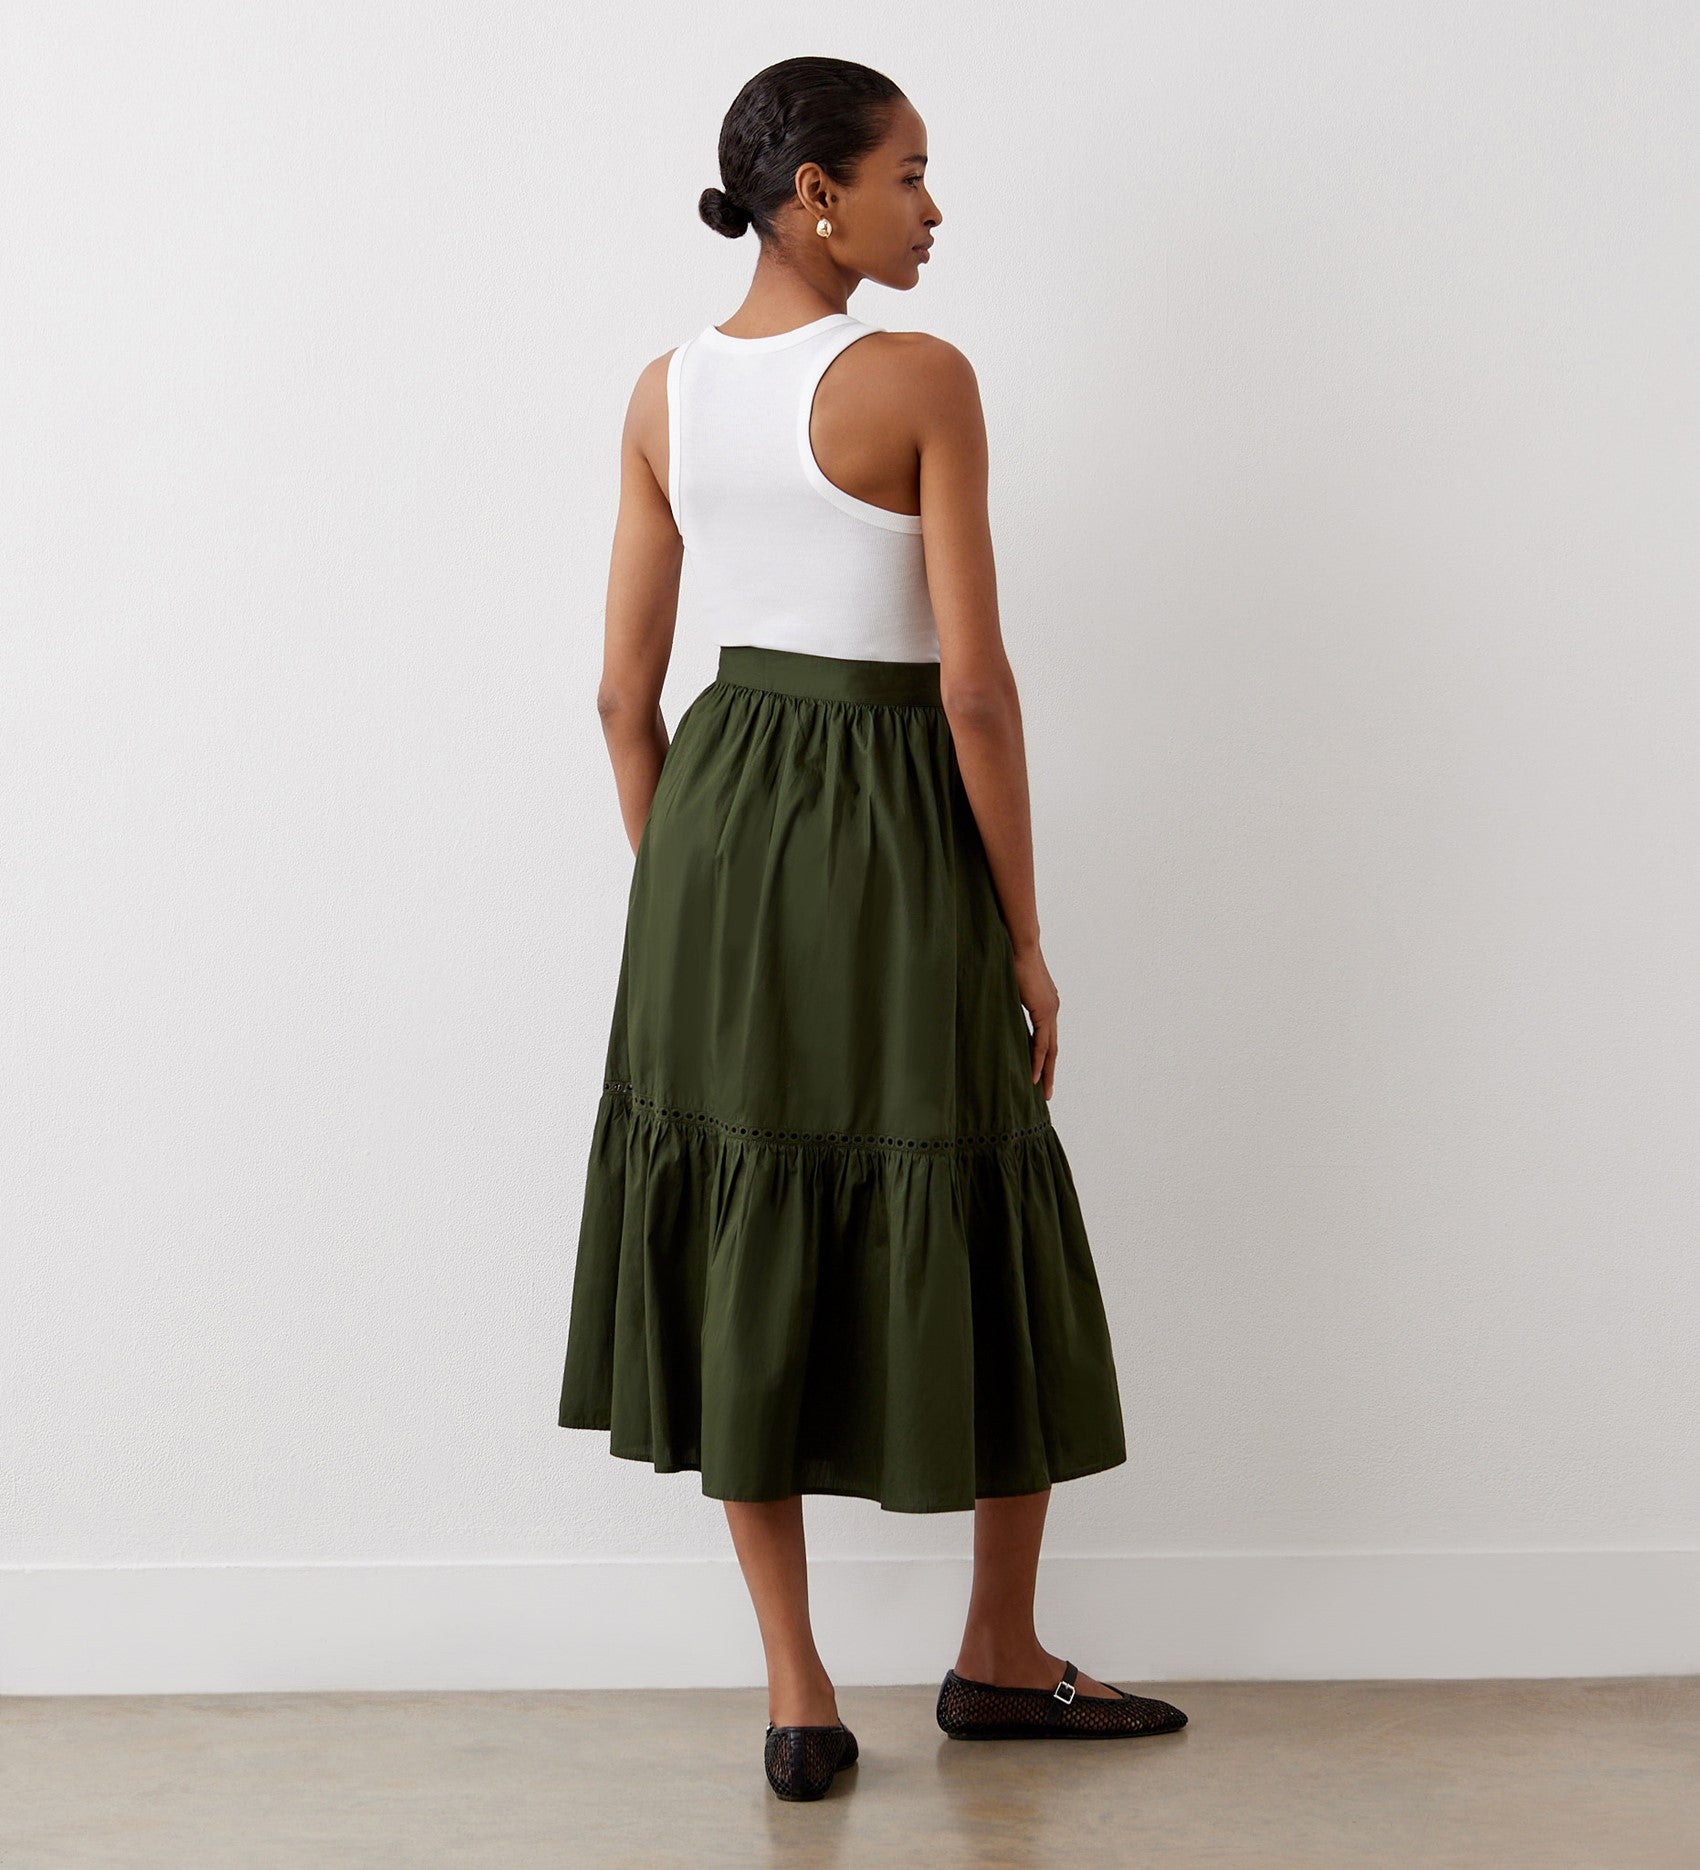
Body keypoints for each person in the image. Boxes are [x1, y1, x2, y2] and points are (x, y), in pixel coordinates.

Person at [557, 55, 1186, 1800]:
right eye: (912, 172)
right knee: (980, 1194)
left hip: (712, 842)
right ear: (816, 192)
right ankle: (994, 1658)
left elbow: (623, 701)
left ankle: (797, 1688)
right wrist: (1028, 937)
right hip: (895, 826)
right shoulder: (918, 379)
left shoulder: (661, 391)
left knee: (740, 1211)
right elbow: (973, 688)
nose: (933, 205)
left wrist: (691, 893)